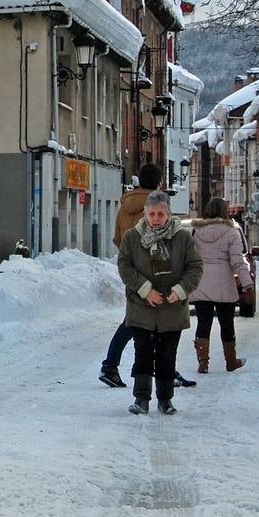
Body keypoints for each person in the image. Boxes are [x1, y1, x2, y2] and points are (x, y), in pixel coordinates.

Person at [99, 163, 197, 390]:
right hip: (160, 272)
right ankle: (160, 371)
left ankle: (112, 365)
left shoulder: (125, 205)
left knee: (134, 320)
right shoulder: (159, 205)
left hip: (134, 272)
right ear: (159, 181)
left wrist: (131, 258)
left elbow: (117, 238)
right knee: (150, 323)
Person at [118, 191, 203, 414]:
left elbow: (195, 267)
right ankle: (141, 398)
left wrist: (181, 290)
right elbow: (125, 267)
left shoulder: (182, 238)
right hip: (141, 307)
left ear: (168, 214)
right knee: (142, 353)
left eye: (161, 214)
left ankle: (165, 400)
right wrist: (146, 290)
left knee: (167, 356)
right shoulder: (132, 237)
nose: (156, 218)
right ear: (145, 214)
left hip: (172, 309)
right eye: (152, 213)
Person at [187, 197, 251, 373]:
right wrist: (248, 285)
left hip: (201, 283)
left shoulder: (196, 232)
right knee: (226, 323)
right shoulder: (231, 232)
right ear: (224, 212)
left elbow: (190, 258)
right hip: (224, 283)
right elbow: (238, 261)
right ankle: (231, 361)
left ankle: (203, 363)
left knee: (203, 323)